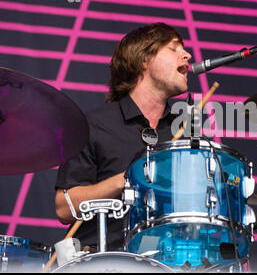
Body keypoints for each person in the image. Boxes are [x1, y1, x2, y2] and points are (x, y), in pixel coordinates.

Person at [54, 22, 192, 251]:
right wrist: (127, 178)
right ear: (143, 60)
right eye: (174, 48)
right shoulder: (94, 126)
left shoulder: (185, 131)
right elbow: (64, 209)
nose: (187, 55)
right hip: (102, 260)